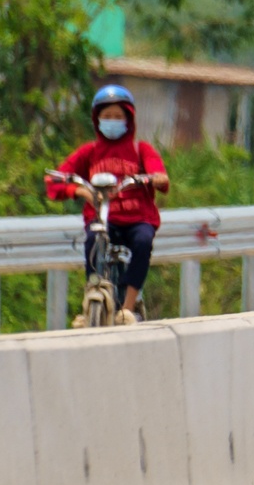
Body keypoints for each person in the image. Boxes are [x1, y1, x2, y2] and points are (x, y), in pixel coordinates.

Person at [47, 85, 170, 325]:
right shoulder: (89, 152)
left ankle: (128, 306)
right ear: (97, 119)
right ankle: (90, 298)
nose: (112, 121)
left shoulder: (140, 149)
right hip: (104, 219)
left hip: (137, 220)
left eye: (117, 117)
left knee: (144, 241)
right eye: (106, 117)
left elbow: (161, 176)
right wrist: (80, 190)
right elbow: (55, 180)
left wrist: (154, 177)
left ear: (128, 119)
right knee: (94, 239)